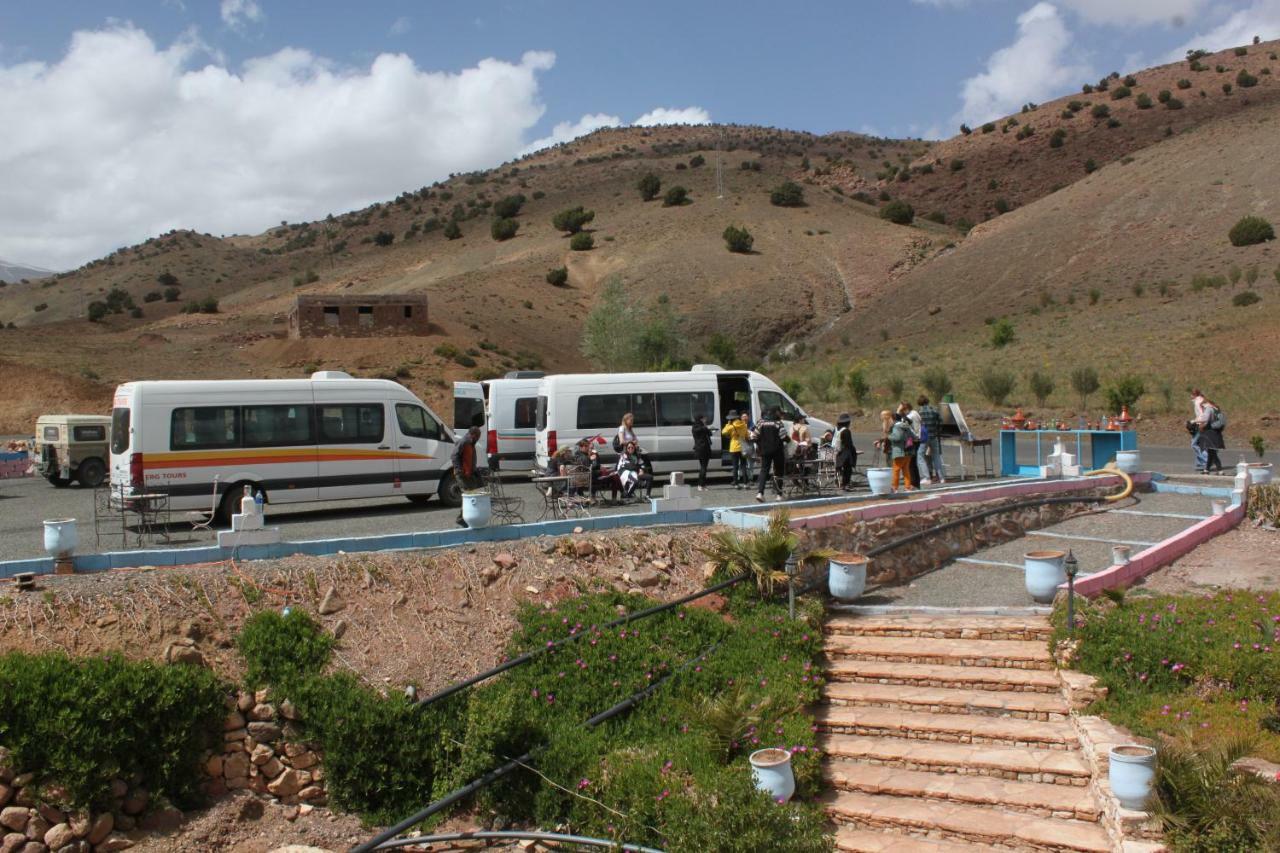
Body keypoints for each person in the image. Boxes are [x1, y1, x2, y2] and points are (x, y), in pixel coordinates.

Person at [754, 407, 790, 502]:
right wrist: (789, 440)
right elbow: (784, 436)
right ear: (775, 413)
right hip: (777, 450)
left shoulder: (760, 422)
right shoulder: (778, 423)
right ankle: (779, 495)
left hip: (765, 451)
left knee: (764, 470)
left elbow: (753, 436)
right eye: (780, 413)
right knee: (779, 471)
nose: (781, 415)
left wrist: (760, 445)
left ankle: (760, 493)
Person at [451, 425, 483, 526]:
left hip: (468, 474)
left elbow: (469, 460)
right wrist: (459, 469)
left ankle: (468, 517)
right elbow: (454, 456)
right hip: (461, 475)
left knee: (473, 494)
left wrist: (475, 470)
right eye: (477, 436)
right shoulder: (464, 442)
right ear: (473, 435)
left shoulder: (471, 443)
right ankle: (462, 518)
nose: (478, 439)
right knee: (468, 496)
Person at [916, 395, 945, 485]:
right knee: (936, 456)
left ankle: (927, 477)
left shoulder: (919, 412)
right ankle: (942, 478)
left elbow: (917, 425)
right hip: (934, 436)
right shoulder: (934, 410)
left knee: (920, 456)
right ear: (927, 401)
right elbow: (941, 422)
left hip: (924, 437)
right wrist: (937, 432)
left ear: (919, 402)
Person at [1196, 397, 1226, 474]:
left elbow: (1205, 420)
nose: (1202, 408)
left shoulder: (1209, 409)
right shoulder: (1216, 409)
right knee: (1211, 451)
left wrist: (1195, 422)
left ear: (1204, 404)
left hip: (1210, 433)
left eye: (1202, 406)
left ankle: (1220, 470)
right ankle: (1207, 470)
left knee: (1212, 452)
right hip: (1216, 433)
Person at [721, 410, 750, 489]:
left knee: (735, 466)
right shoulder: (743, 424)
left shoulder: (731, 426)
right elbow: (747, 435)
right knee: (744, 465)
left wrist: (728, 424)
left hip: (734, 448)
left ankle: (736, 484)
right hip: (742, 447)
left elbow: (723, 432)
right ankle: (746, 483)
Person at [888, 413, 915, 492]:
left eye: (890, 419)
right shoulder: (906, 426)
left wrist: (889, 436)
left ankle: (894, 487)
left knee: (896, 470)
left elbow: (897, 437)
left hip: (899, 451)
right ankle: (907, 487)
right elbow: (914, 436)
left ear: (893, 419)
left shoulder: (896, 427)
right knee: (906, 470)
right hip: (908, 451)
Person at [899, 401, 921, 489]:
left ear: (906, 409)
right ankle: (916, 483)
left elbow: (903, 424)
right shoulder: (915, 413)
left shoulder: (909, 416)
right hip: (918, 438)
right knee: (913, 462)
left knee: (910, 463)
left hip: (912, 440)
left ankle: (913, 483)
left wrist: (899, 412)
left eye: (903, 410)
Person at [834, 413, 858, 490]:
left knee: (841, 469)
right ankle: (846, 484)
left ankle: (841, 484)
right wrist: (853, 451)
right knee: (848, 469)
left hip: (838, 452)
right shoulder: (846, 431)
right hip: (846, 452)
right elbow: (849, 443)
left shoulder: (837, 430)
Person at [691, 413, 712, 491]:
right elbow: (710, 433)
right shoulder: (703, 427)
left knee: (702, 467)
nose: (705, 419)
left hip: (698, 449)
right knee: (704, 467)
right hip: (705, 449)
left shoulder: (694, 427)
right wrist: (705, 425)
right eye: (704, 418)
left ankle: (702, 485)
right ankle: (701, 485)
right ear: (701, 419)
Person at [1190, 388, 1209, 472]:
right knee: (1200, 444)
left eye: (1191, 394)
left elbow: (1202, 415)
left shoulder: (1198, 402)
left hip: (1200, 425)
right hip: (1203, 424)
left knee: (1194, 444)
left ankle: (1205, 461)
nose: (1190, 396)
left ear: (1195, 395)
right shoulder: (1201, 400)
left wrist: (1194, 421)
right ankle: (1200, 462)